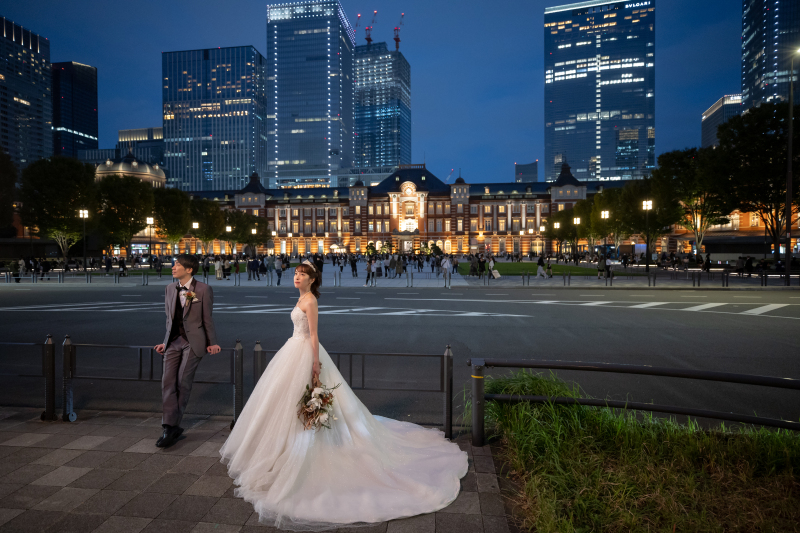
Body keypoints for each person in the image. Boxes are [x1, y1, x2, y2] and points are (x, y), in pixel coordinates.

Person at [219, 261, 467, 529]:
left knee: (303, 401)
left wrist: (315, 364)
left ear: (312, 280)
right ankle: (285, 445)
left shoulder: (310, 300)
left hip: (304, 352)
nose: (296, 277)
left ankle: (298, 446)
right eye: (296, 273)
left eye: (301, 274)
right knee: (285, 403)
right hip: (292, 350)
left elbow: (314, 334)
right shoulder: (302, 297)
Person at [153, 254, 221, 449]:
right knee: (167, 382)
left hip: (193, 342)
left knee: (183, 382)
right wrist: (165, 343)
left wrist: (212, 342)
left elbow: (207, 318)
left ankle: (170, 426)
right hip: (173, 342)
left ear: (189, 269)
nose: (173, 267)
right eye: (174, 264)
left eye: (178, 265)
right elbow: (169, 320)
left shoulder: (203, 289)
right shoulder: (169, 289)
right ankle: (170, 425)